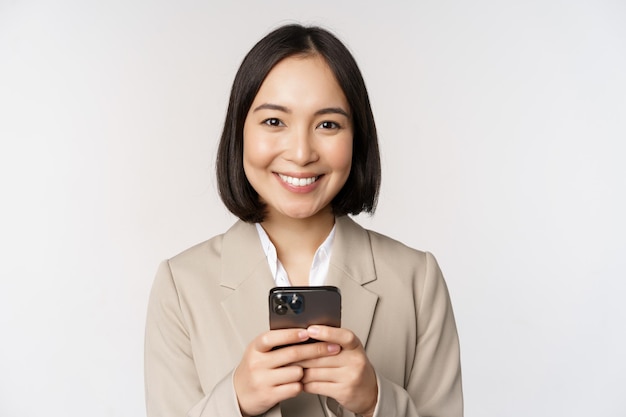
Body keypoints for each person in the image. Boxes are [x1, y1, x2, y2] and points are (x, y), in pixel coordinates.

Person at [144, 24, 463, 417]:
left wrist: (376, 400)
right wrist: (235, 400)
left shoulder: (418, 280)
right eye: (274, 122)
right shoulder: (181, 285)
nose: (300, 152)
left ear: (357, 137)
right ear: (239, 132)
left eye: (328, 124)